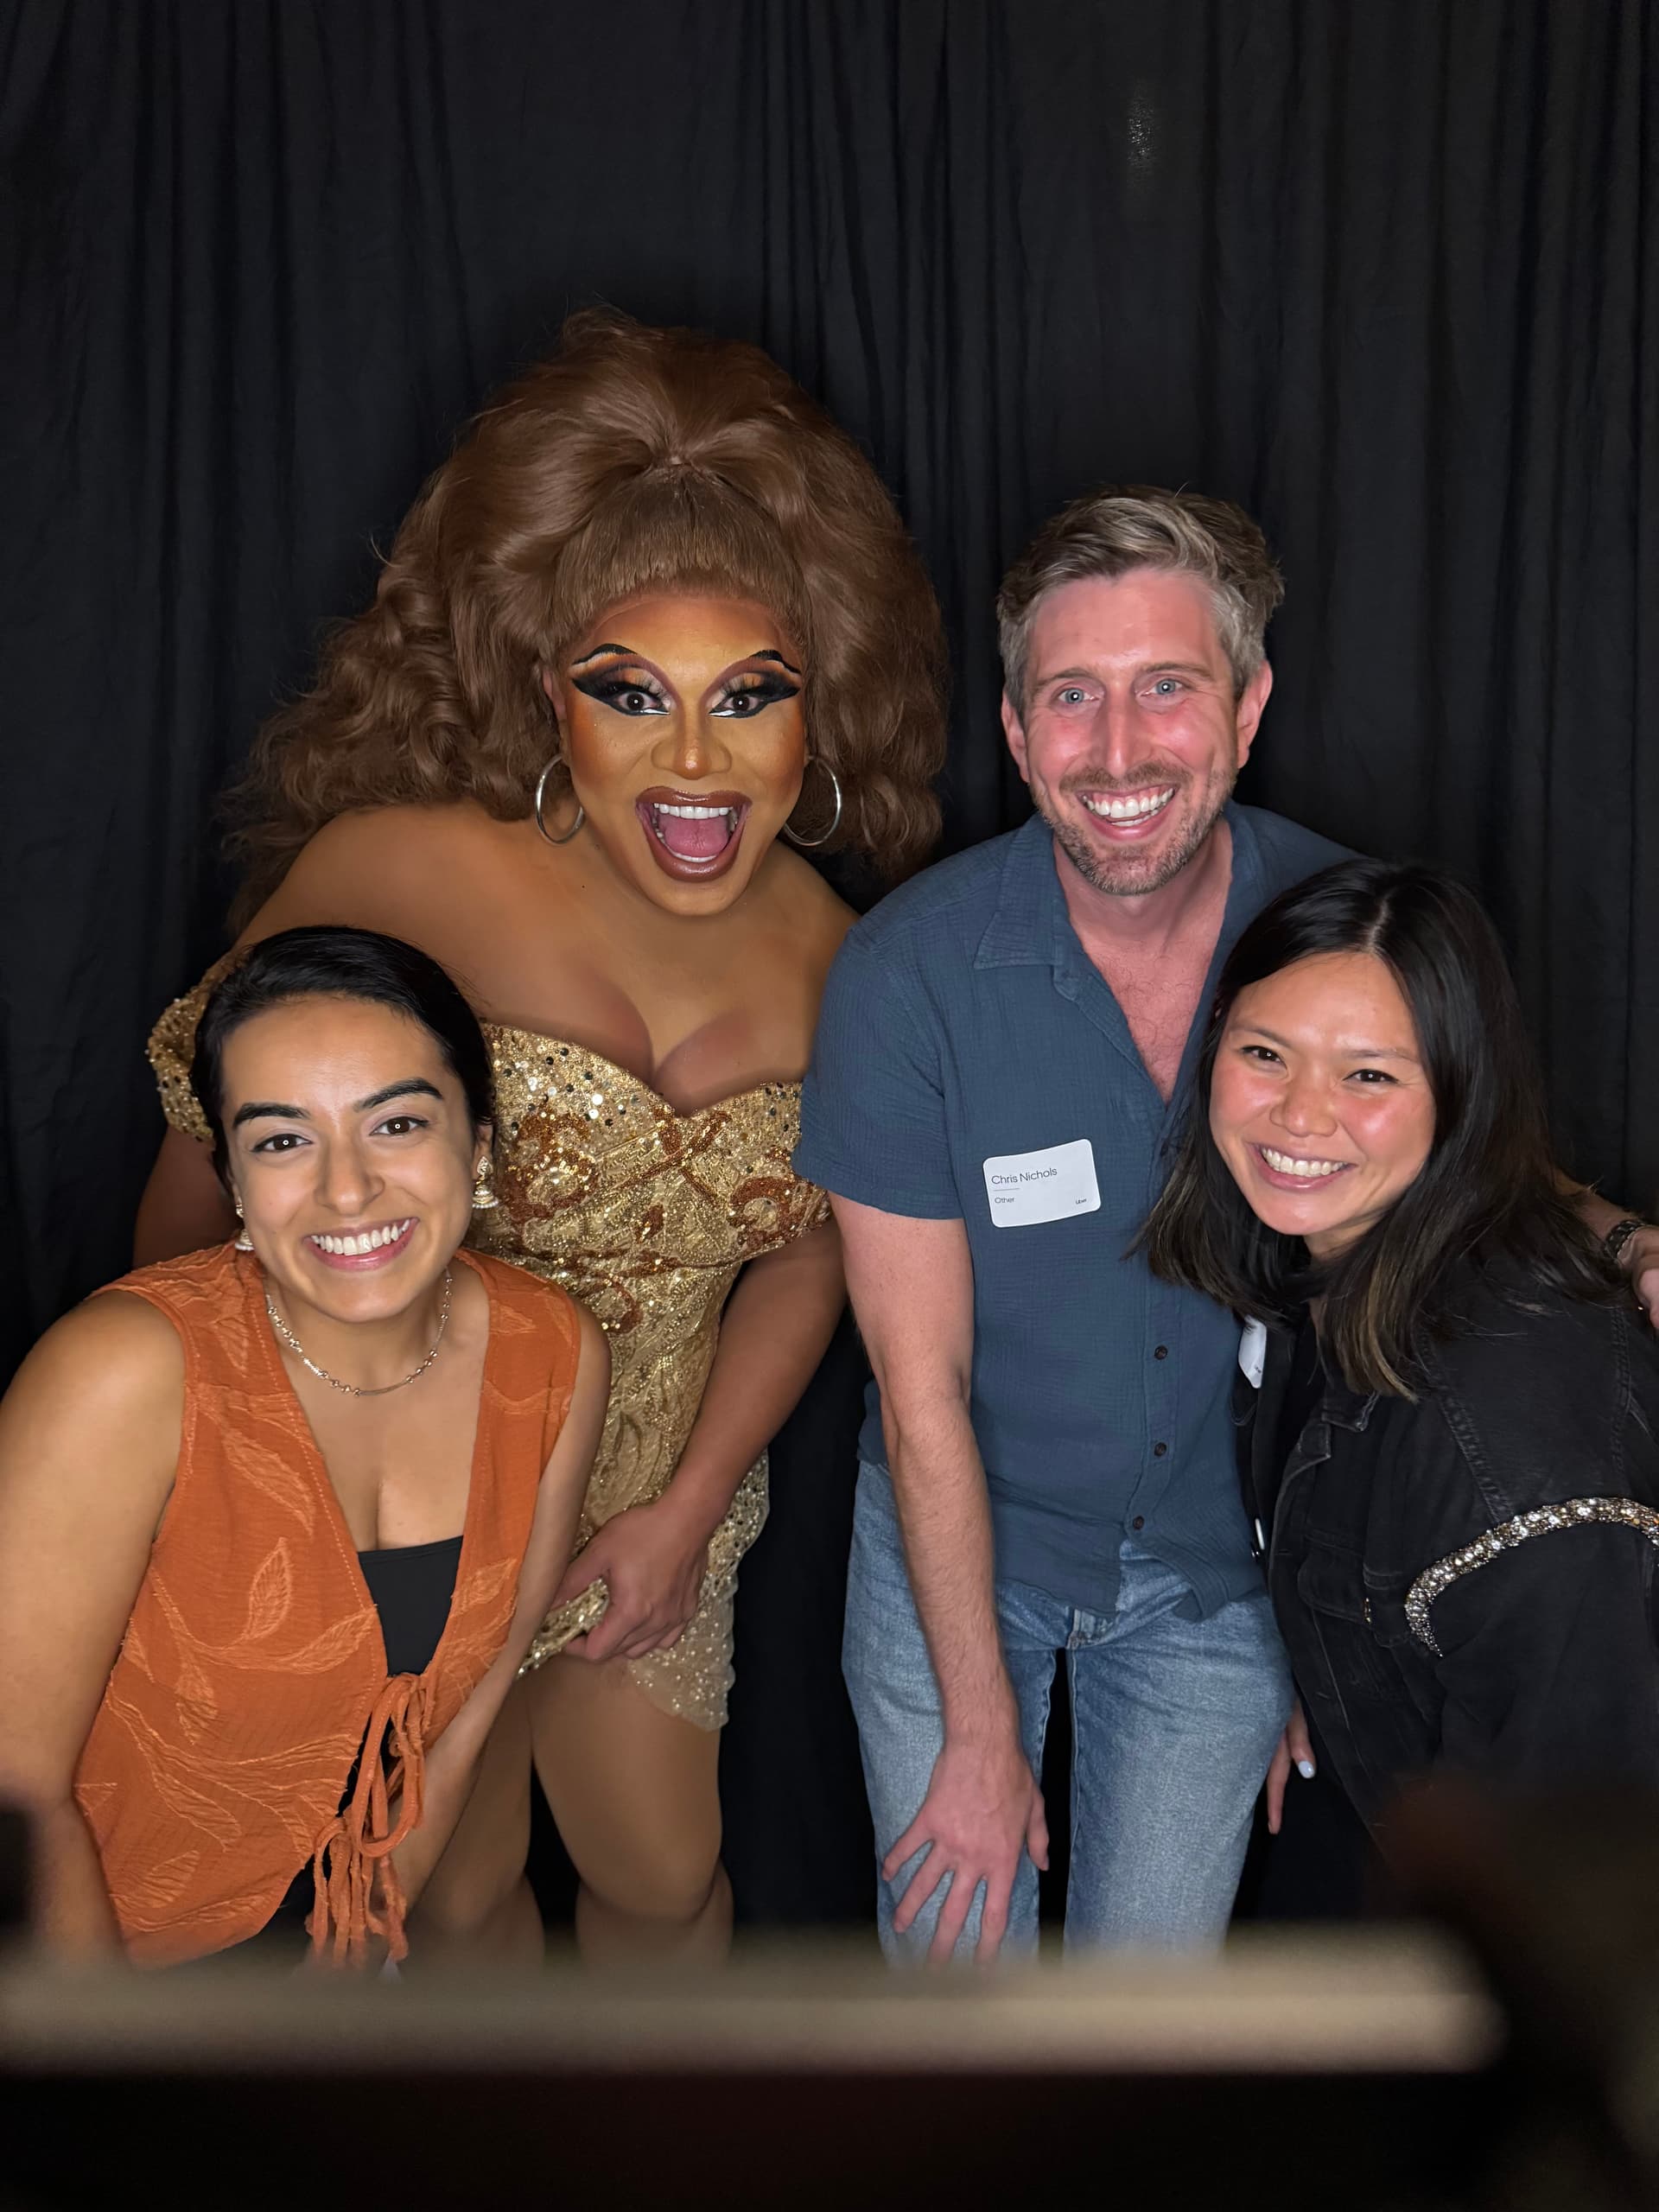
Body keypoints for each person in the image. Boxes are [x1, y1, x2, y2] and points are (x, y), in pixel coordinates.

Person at [134, 308, 947, 1963]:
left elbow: (813, 1247)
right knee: (451, 1882)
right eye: (630, 691)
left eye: (754, 695)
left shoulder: (856, 963)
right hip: (410, 1491)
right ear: (540, 691)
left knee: (659, 1878)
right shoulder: (404, 873)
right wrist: (246, 1495)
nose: (697, 759)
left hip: (660, 1493)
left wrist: (689, 1502)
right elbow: (198, 1191)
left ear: (822, 705)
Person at [796, 484, 1658, 1961]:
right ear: (1014, 734)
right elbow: (917, 1385)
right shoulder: (907, 976)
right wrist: (980, 1739)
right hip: (962, 1555)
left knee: (1150, 2021)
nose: (1119, 751)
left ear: (1248, 708)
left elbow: (1447, 1161)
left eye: (1168, 690)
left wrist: (1630, 1246)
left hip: (1223, 1580)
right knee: (953, 1987)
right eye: (1071, 697)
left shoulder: (1339, 927)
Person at [0, 927, 607, 1967]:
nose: (345, 1189)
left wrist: (347, 1972)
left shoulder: (553, 1352)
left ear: (482, 1143)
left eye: (397, 1124)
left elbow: (460, 1721)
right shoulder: (123, 1372)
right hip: (81, 1971)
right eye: (283, 1139)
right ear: (232, 1177)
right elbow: (14, 1793)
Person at [1143, 860, 1659, 1831]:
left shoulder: (1513, 1468)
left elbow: (1577, 1885)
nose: (1300, 1114)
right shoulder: (1332, 1260)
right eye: (1266, 1053)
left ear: (1461, 1096)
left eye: (1369, 1074)